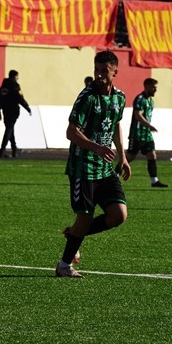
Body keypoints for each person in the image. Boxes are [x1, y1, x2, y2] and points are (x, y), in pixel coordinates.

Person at [57, 50, 132, 278]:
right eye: (96, 70)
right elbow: (71, 132)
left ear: (115, 72)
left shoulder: (119, 98)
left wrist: (123, 156)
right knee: (85, 217)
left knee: (119, 215)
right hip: (83, 167)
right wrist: (97, 147)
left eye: (104, 71)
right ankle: (63, 265)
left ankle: (75, 235)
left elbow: (115, 125)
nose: (99, 76)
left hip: (105, 167)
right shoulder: (87, 98)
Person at [126, 77, 168, 188]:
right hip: (137, 134)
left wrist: (148, 128)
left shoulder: (151, 101)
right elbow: (138, 115)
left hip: (146, 134)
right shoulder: (140, 99)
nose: (155, 90)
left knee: (152, 155)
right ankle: (113, 176)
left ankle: (154, 181)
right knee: (130, 157)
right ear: (147, 87)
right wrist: (149, 126)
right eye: (153, 88)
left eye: (156, 88)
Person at [0, 69, 32, 158]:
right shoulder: (15, 86)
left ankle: (14, 148)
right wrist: (27, 108)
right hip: (13, 110)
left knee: (10, 129)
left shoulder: (4, 86)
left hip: (5, 110)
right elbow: (20, 98)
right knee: (9, 129)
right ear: (15, 76)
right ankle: (2, 150)